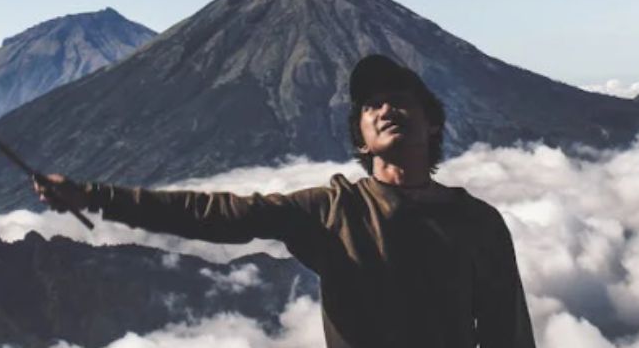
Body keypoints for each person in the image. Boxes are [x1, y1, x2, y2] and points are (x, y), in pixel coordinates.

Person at [34, 53, 536, 348]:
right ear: (360, 141)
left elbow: (507, 335)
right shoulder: (331, 211)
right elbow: (219, 216)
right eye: (370, 105)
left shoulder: (478, 223)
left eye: (400, 97)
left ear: (433, 122)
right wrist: (97, 197)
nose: (385, 108)